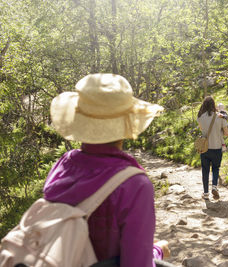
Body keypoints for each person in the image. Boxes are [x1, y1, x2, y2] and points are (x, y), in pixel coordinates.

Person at [44, 73, 170, 267]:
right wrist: (158, 251)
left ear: (80, 119)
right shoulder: (134, 185)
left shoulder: (63, 165)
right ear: (127, 121)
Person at [197, 96, 228, 200]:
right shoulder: (220, 117)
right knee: (215, 168)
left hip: (205, 148)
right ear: (213, 104)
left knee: (205, 170)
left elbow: (202, 130)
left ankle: (206, 193)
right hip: (217, 147)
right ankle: (214, 186)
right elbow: (226, 134)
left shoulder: (201, 117)